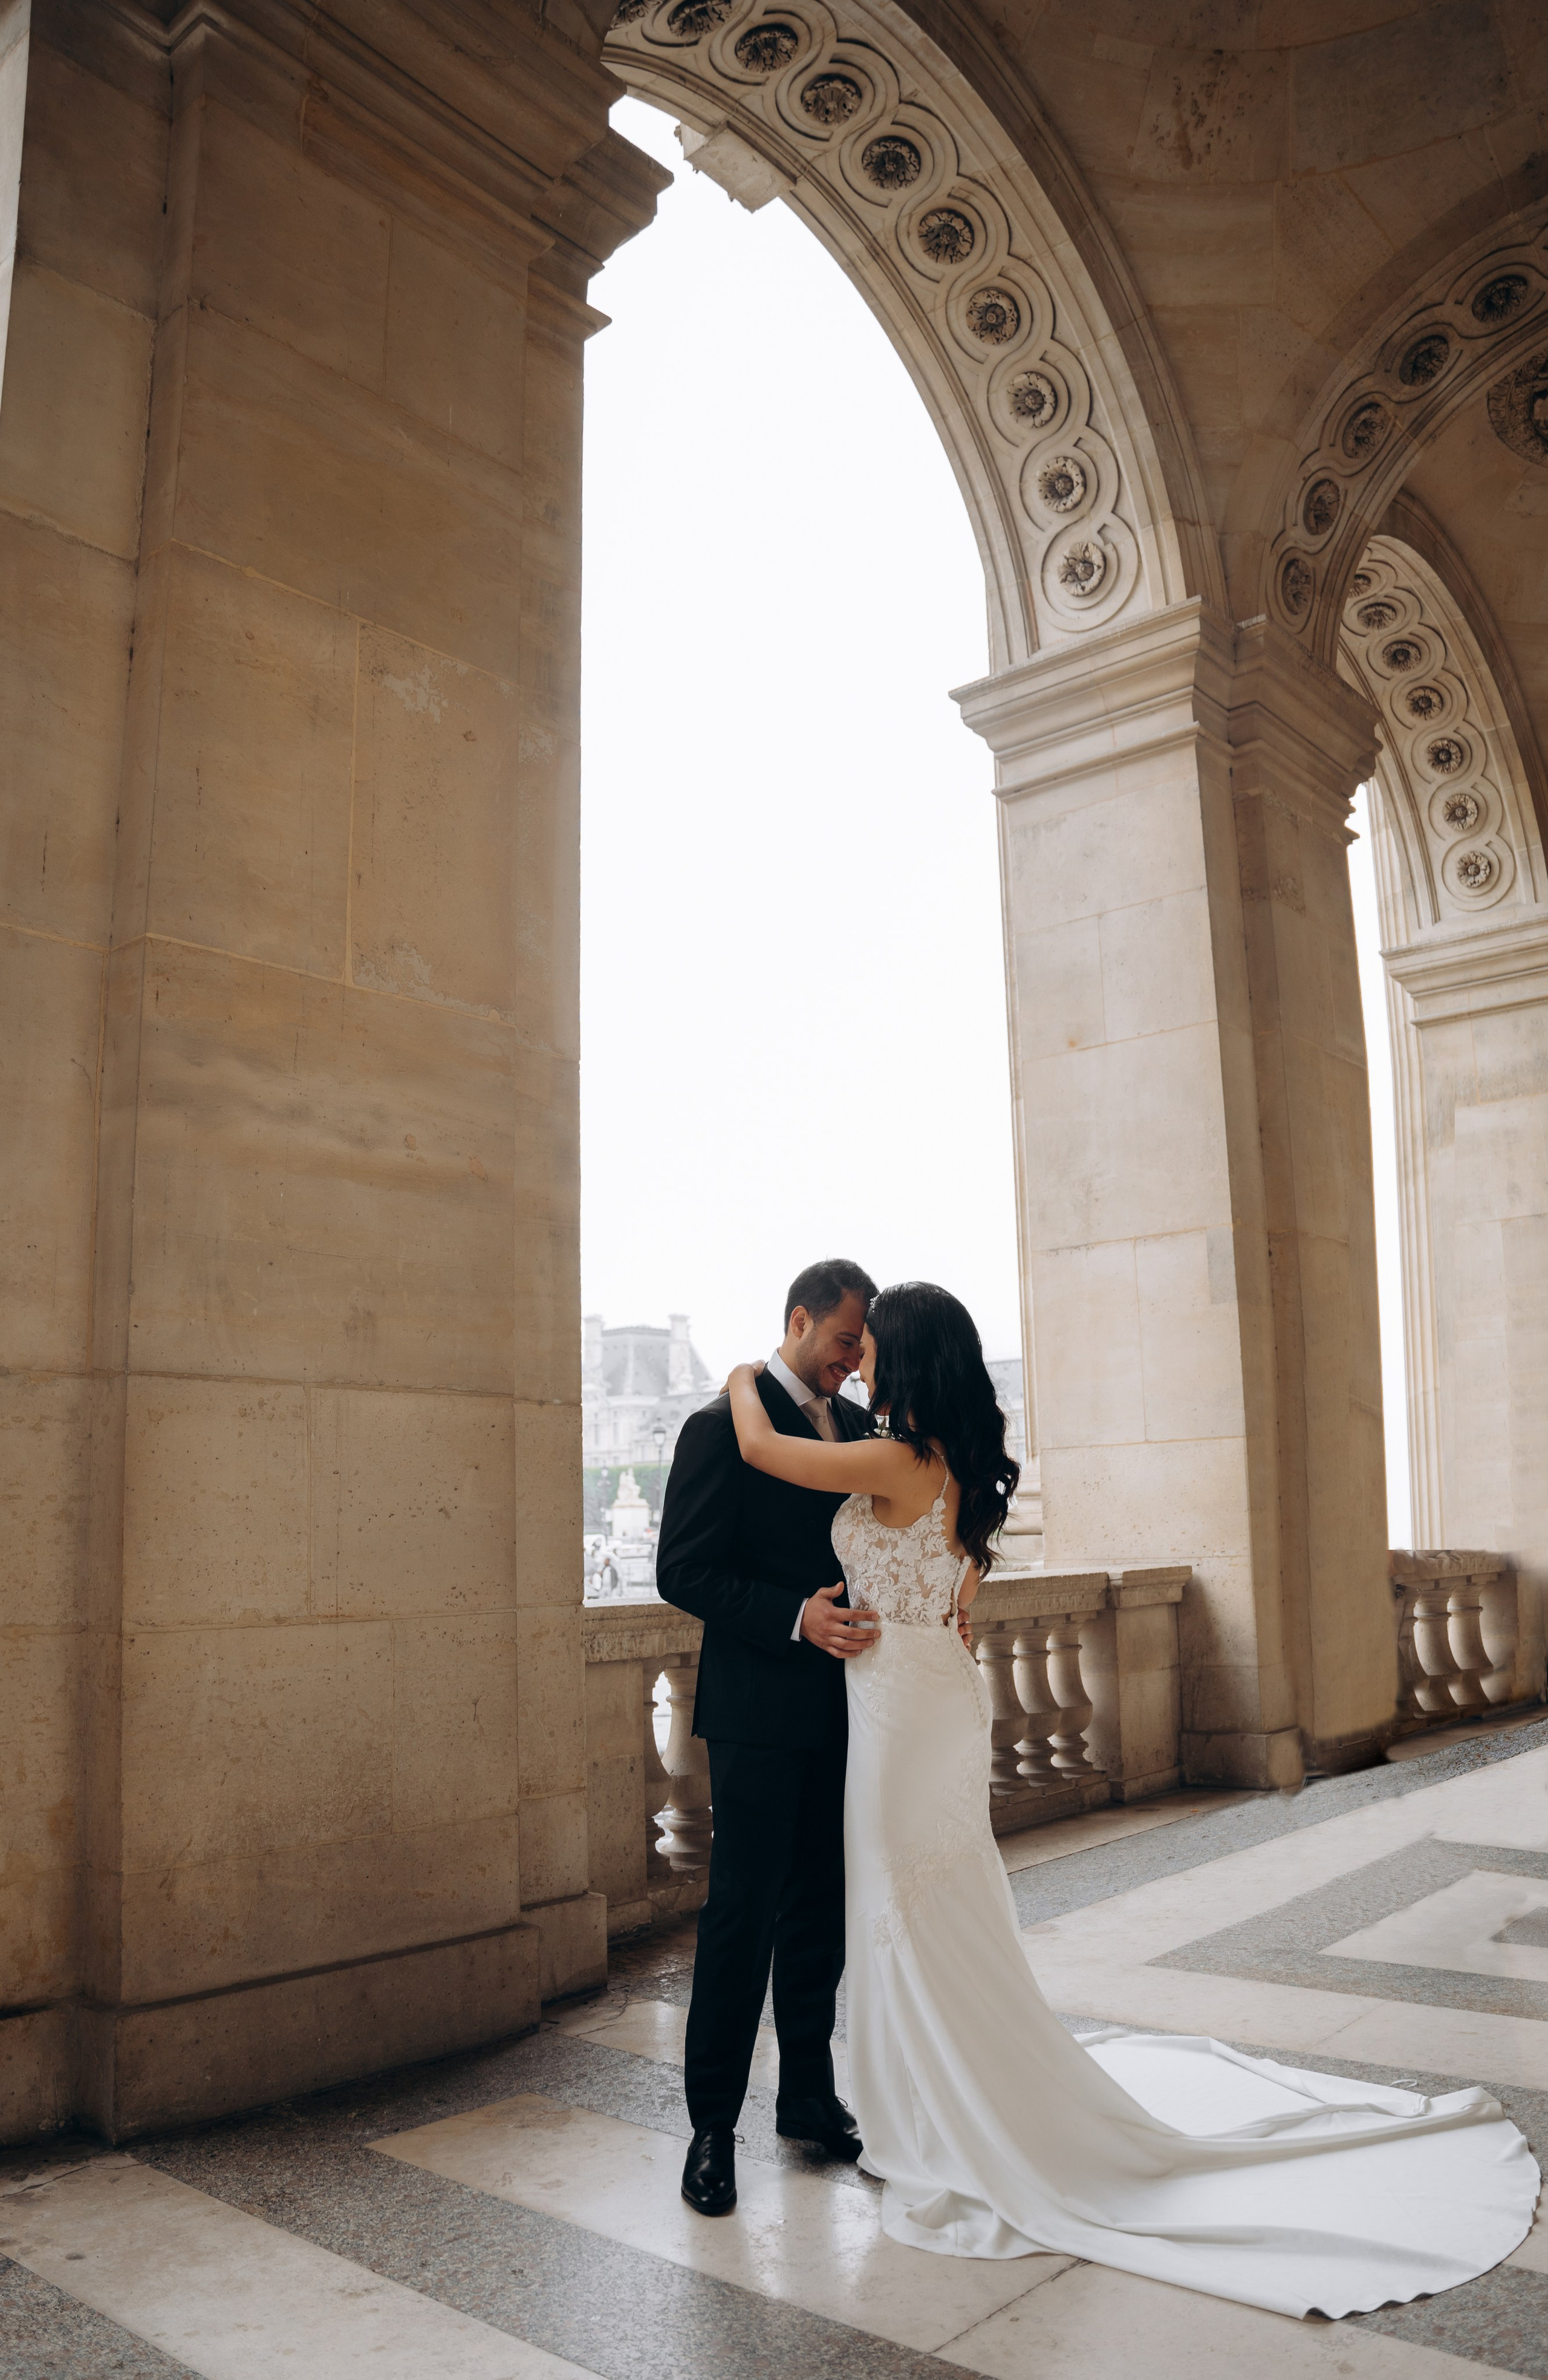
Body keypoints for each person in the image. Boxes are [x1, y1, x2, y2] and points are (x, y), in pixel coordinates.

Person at [724, 1280, 1540, 2321]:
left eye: (875, 1346)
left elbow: (763, 1449)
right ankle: (935, 2094)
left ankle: (931, 2111)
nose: (864, 1359)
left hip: (898, 1708)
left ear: (911, 1355)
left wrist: (746, 1377)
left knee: (899, 1903)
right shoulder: (961, 1469)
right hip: (931, 1693)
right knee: (927, 1900)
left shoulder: (898, 1458)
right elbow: (962, 1601)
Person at [655, 1257, 880, 2219]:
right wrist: (796, 1616)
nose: (852, 1364)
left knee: (820, 1911)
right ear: (799, 1322)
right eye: (842, 1342)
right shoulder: (718, 1428)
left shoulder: (864, 1430)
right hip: (755, 1711)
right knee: (740, 1918)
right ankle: (713, 2129)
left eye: (861, 1348)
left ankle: (807, 2097)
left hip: (850, 1710)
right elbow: (683, 1570)